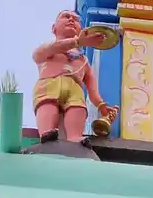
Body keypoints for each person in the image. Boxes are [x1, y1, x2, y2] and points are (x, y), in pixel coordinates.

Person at [32, 10, 118, 145]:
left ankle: (75, 137)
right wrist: (78, 42)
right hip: (49, 85)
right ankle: (46, 133)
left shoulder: (83, 62)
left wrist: (102, 106)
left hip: (74, 90)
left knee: (77, 108)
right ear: (54, 28)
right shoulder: (49, 49)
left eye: (76, 19)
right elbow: (43, 52)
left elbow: (92, 91)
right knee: (47, 104)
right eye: (65, 17)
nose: (71, 20)